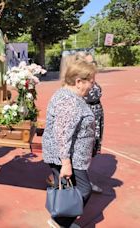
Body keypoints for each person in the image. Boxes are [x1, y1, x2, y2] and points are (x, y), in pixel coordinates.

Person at [42, 56, 97, 227]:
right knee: (83, 190)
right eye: (91, 81)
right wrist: (66, 163)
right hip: (67, 156)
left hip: (70, 154)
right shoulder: (68, 100)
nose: (93, 85)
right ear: (79, 81)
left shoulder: (70, 95)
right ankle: (60, 222)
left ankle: (61, 221)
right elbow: (63, 133)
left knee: (68, 190)